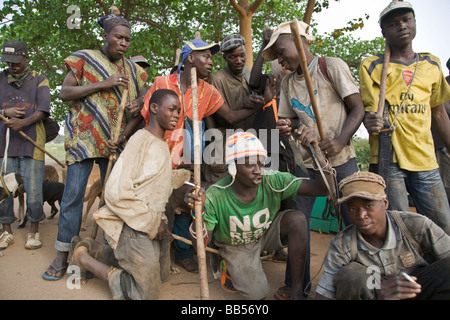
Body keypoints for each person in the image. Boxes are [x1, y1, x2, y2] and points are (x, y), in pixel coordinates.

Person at [118, 38, 264, 273]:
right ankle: (148, 255)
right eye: (206, 57)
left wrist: (258, 104)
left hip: (185, 161)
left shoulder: (208, 91)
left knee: (185, 206)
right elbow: (143, 114)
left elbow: (231, 117)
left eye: (211, 57)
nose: (210, 62)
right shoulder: (162, 82)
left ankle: (183, 255)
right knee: (155, 207)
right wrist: (123, 137)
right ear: (190, 59)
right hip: (155, 159)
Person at [261, 19, 365, 298]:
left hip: (342, 160)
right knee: (298, 221)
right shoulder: (289, 82)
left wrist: (340, 139)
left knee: (353, 218)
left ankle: (360, 283)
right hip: (306, 164)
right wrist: (291, 128)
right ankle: (298, 286)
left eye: (282, 52)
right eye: (278, 56)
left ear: (299, 41)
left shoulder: (331, 66)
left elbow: (358, 110)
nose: (281, 59)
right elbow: (288, 121)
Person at [43, 13, 148, 280]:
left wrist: (128, 126)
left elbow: (140, 110)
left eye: (127, 39)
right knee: (73, 196)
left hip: (114, 142)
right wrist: (105, 83)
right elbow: (65, 93)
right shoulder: (84, 59)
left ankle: (105, 251)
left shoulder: (134, 71)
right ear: (106, 36)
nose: (123, 43)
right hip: (84, 140)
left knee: (114, 197)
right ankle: (63, 252)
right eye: (118, 37)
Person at [185, 130, 336, 300]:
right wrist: (198, 212)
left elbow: (322, 189)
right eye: (249, 165)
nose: (258, 170)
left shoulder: (272, 181)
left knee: (297, 219)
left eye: (261, 163)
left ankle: (297, 290)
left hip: (264, 234)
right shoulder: (215, 195)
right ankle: (228, 265)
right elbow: (201, 244)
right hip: (236, 245)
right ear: (233, 167)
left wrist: (316, 154)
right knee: (258, 295)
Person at [69, 89, 180, 300]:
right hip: (136, 224)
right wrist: (151, 222)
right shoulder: (140, 140)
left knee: (162, 276)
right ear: (154, 109)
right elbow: (115, 192)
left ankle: (98, 249)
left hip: (154, 221)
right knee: (146, 293)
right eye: (172, 109)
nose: (176, 115)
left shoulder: (161, 145)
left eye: (179, 111)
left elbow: (153, 183)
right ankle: (84, 259)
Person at [360, 1, 450, 235]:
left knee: (443, 226)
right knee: (401, 228)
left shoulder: (432, 64)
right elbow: (370, 116)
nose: (401, 26)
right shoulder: (372, 66)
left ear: (414, 22)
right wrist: (371, 123)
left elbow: (439, 113)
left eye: (406, 20)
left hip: (426, 158)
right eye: (393, 24)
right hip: (389, 159)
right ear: (384, 32)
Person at [315, 171, 450, 300]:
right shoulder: (342, 245)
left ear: (385, 203)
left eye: (369, 206)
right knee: (352, 275)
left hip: (416, 289)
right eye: (353, 208)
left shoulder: (414, 225)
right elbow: (323, 295)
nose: (361, 215)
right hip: (376, 294)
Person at [0, 40, 50, 250]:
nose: (13, 66)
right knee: (4, 190)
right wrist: (5, 113)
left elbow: (42, 110)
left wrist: (22, 122)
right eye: (9, 62)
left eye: (17, 61)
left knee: (34, 190)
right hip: (5, 145)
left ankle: (34, 230)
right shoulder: (0, 78)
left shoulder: (40, 79)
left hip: (32, 144)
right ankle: (6, 231)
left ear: (26, 58)